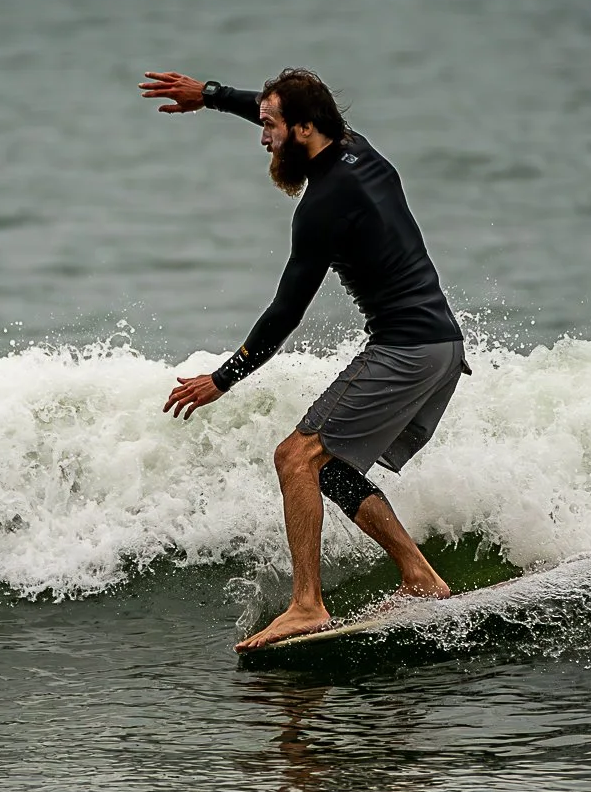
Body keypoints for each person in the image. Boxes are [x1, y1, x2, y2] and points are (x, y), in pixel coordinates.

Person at [139, 68, 471, 650]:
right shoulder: (355, 150)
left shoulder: (321, 206)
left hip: (408, 347)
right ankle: (420, 577)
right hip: (439, 344)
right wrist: (212, 97)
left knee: (295, 457)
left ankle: (306, 605)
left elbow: (285, 312)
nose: (262, 137)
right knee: (333, 469)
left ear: (304, 129)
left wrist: (222, 379)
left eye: (269, 127)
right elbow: (285, 110)